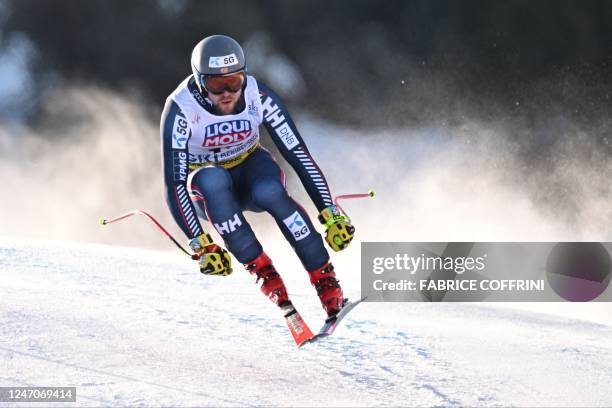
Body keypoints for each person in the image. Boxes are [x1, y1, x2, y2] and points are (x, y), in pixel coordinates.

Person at [160, 34, 355, 318]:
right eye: (216, 85)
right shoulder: (181, 108)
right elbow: (175, 182)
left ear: (245, 75)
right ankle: (265, 274)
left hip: (250, 170)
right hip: (209, 190)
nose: (227, 92)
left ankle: (325, 280)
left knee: (269, 191)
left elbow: (298, 154)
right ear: (200, 82)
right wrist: (200, 242)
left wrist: (330, 212)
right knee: (211, 180)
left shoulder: (258, 96)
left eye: (234, 81)